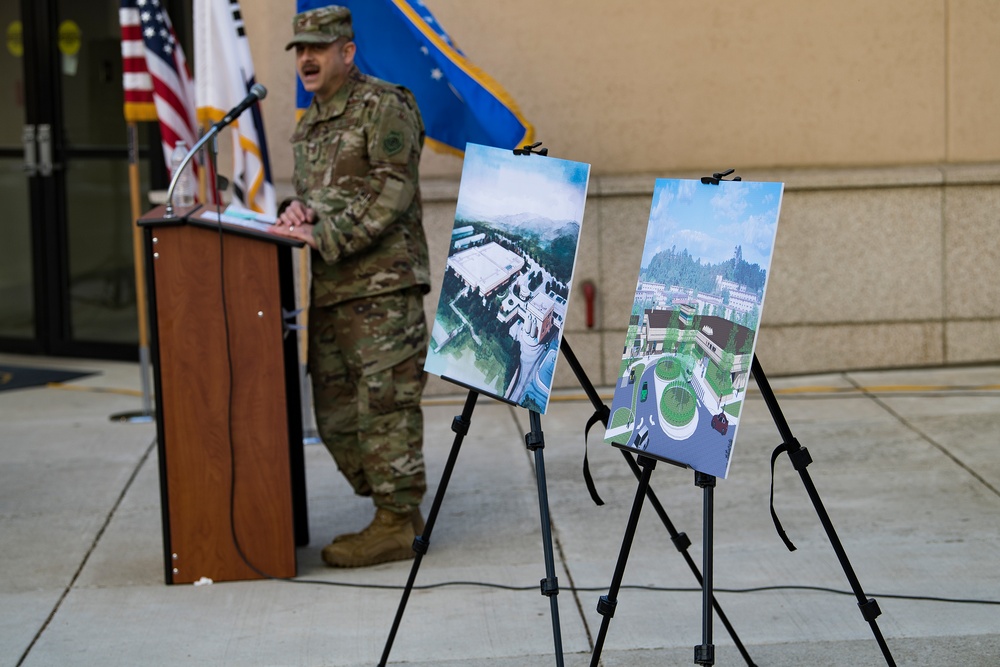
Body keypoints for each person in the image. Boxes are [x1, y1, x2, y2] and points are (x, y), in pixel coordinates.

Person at [271, 5, 431, 568]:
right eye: (300, 49)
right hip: (332, 290)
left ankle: (393, 521)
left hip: (383, 289)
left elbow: (393, 189)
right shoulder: (311, 120)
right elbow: (321, 194)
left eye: (318, 47)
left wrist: (326, 233)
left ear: (348, 52)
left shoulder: (386, 104)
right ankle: (395, 505)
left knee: (385, 409)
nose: (306, 58)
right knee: (336, 416)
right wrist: (297, 210)